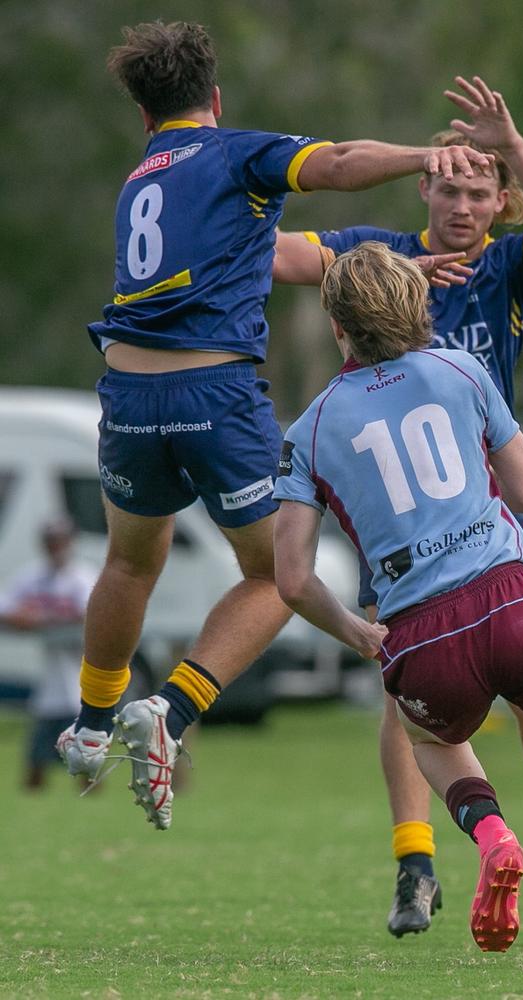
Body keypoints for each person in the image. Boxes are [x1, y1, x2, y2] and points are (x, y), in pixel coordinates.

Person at [55, 21, 493, 831]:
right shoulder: (230, 153)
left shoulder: (140, 181)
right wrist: (422, 157)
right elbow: (333, 165)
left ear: (145, 116)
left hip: (125, 394)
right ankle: (171, 714)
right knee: (275, 576)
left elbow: (267, 256)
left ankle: (88, 724)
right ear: (214, 101)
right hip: (213, 394)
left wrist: (396, 269)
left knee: (129, 562)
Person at [272, 76, 523, 945]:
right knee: (410, 698)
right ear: (423, 188)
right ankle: (414, 867)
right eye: (448, 186)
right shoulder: (374, 259)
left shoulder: (504, 268)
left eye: (478, 191)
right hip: (411, 529)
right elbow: (280, 257)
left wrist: (518, 142)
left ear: (501, 205)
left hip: (490, 516)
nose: (461, 204)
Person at [0, 519, 96, 789]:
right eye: (51, 542)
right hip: (49, 689)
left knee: (87, 763)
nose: (56, 548)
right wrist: (35, 619)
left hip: (79, 687)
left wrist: (42, 619)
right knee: (36, 762)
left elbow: (87, 616)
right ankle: (37, 806)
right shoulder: (34, 576)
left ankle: (91, 808)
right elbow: (6, 608)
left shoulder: (82, 577)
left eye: (61, 541)